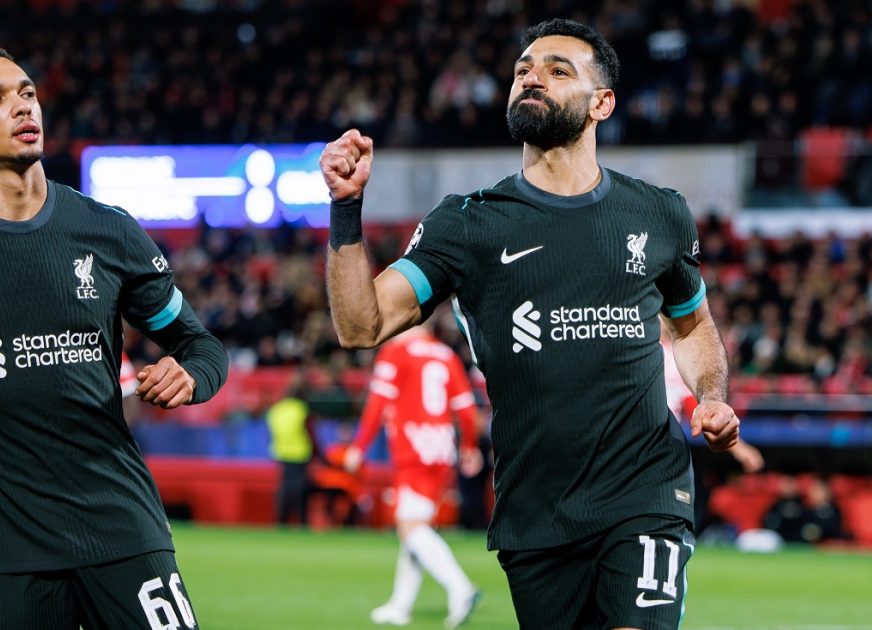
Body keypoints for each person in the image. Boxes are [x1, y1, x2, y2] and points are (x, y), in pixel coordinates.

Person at [321, 18, 740, 630]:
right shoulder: (467, 224)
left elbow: (693, 326)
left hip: (645, 490)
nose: (531, 78)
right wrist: (345, 209)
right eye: (523, 69)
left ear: (602, 103)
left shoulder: (659, 213)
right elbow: (362, 325)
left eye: (557, 70)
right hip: (536, 510)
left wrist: (712, 396)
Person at [0, 46, 228, 628]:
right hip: (4, 548)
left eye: (27, 92)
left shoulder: (107, 230)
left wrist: (191, 374)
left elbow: (202, 346)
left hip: (122, 527)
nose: (22, 106)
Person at [343, 323, 483, 628]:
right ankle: (400, 605)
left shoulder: (396, 352)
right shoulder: (446, 354)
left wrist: (359, 446)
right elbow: (467, 409)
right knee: (416, 528)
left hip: (413, 446)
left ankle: (460, 587)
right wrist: (469, 446)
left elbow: (377, 403)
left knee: (410, 528)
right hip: (441, 449)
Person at [661, 326, 762, 534]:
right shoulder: (649, 349)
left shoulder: (676, 353)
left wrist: (738, 447)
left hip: (661, 441)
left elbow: (693, 404)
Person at [267, 371, 319, 525]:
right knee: (300, 490)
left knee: (285, 489)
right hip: (300, 453)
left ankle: (281, 520)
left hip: (281, 453)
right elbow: (310, 433)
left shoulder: (276, 409)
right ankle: (302, 521)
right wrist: (318, 454)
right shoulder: (302, 409)